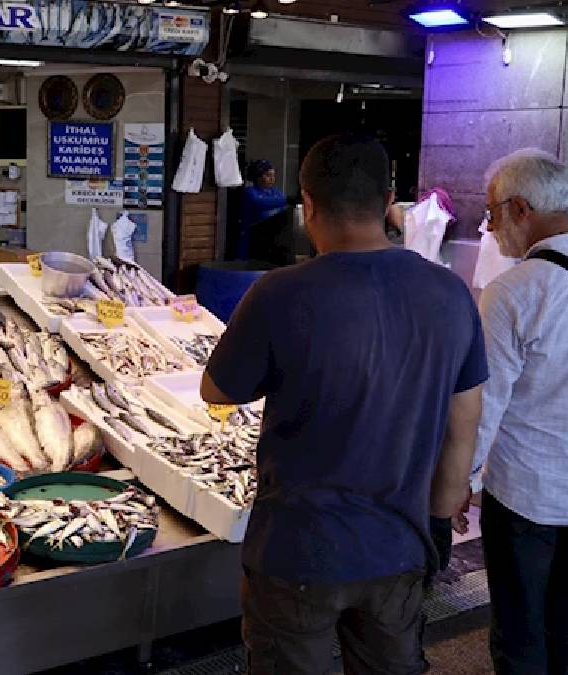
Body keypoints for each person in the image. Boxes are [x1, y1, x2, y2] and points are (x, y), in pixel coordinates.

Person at [201, 134, 487, 674]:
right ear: (389, 203)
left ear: (307, 205)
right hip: (400, 548)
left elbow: (218, 390)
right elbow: (463, 424)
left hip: (296, 553)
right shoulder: (450, 295)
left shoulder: (277, 292)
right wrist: (439, 523)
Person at [463, 148, 568, 675]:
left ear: (519, 209)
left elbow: (485, 404)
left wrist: (461, 482)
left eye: (491, 214)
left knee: (520, 629)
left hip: (526, 495)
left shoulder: (512, 292)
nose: (490, 230)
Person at [236, 159, 287, 260]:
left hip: (271, 239)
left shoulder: (275, 192)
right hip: (251, 239)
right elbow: (261, 203)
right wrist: (284, 200)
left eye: (273, 175)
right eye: (268, 175)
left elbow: (283, 203)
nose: (272, 178)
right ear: (258, 177)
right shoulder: (249, 192)